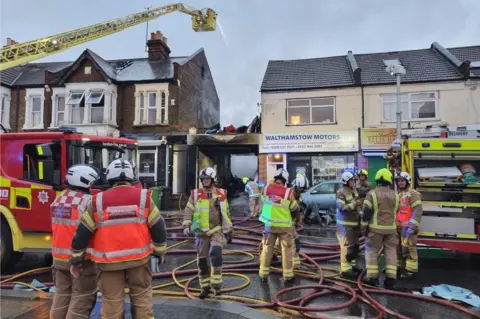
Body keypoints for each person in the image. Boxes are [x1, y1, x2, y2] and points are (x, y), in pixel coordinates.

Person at [70, 159, 168, 319]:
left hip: (109, 264)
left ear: (109, 178)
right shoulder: (143, 198)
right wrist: (160, 251)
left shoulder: (98, 201)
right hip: (139, 261)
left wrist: (76, 260)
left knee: (111, 304)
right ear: (131, 177)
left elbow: (82, 233)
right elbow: (158, 227)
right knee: (142, 300)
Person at [50, 165, 99, 319]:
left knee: (61, 296)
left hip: (58, 259)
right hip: (80, 260)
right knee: (82, 299)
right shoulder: (87, 202)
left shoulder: (59, 200)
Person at [182, 167, 233, 299]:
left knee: (216, 254)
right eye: (203, 179)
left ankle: (216, 286)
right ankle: (204, 287)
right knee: (202, 262)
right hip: (201, 233)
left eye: (208, 179)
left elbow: (226, 213)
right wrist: (187, 224)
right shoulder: (195, 194)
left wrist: (229, 231)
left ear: (213, 179)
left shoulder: (221, 193)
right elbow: (189, 210)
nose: (205, 181)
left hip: (216, 230)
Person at [258, 168, 299, 283]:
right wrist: (294, 220)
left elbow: (263, 202)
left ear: (275, 178)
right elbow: (295, 208)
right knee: (286, 250)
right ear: (285, 180)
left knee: (267, 248)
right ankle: (288, 276)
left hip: (269, 225)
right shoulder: (288, 192)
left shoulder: (265, 189)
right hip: (284, 227)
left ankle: (263, 274)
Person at [361, 168, 400, 289]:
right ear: (389, 180)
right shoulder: (395, 195)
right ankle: (390, 279)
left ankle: (372, 278)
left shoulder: (372, 194)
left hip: (375, 229)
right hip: (391, 230)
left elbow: (366, 213)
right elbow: (396, 211)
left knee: (372, 251)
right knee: (391, 252)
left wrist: (363, 229)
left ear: (377, 179)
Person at [395, 172, 423, 279]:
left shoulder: (413, 194)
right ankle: (399, 267)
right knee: (399, 248)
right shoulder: (398, 194)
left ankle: (411, 270)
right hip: (399, 226)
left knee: (409, 248)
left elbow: (417, 211)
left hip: (409, 227)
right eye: (398, 180)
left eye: (402, 180)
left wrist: (412, 226)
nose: (400, 182)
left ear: (407, 181)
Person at [336, 171, 362, 279]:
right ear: (346, 181)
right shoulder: (340, 192)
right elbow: (342, 208)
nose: (354, 182)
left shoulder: (354, 191)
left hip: (355, 224)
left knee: (355, 247)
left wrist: (361, 214)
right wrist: (354, 204)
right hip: (345, 225)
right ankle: (345, 269)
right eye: (352, 180)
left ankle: (351, 265)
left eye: (354, 180)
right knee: (346, 247)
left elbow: (358, 207)